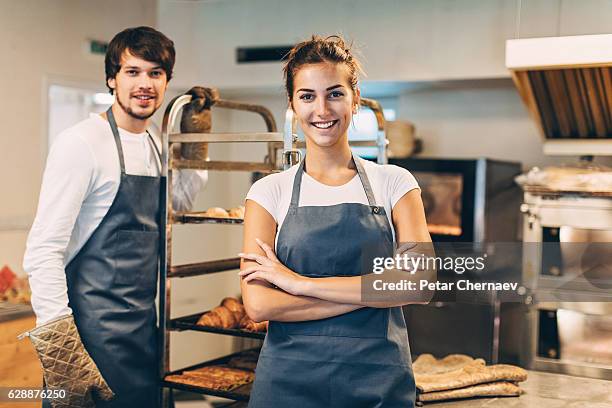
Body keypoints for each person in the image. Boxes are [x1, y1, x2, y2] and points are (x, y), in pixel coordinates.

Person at [239, 35, 435, 407]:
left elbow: (419, 284)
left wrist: (297, 284)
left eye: (335, 93)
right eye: (307, 96)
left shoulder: (394, 183)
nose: (322, 109)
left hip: (377, 380)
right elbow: (260, 306)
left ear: (355, 99)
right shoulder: (268, 193)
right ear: (293, 105)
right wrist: (377, 294)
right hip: (288, 383)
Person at [22, 26, 207, 407]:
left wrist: (194, 148)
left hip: (144, 330)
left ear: (167, 81)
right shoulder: (81, 143)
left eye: (155, 73)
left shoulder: (157, 141)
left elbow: (180, 205)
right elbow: (43, 249)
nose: (145, 84)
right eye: (133, 72)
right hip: (90, 337)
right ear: (111, 78)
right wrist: (61, 346)